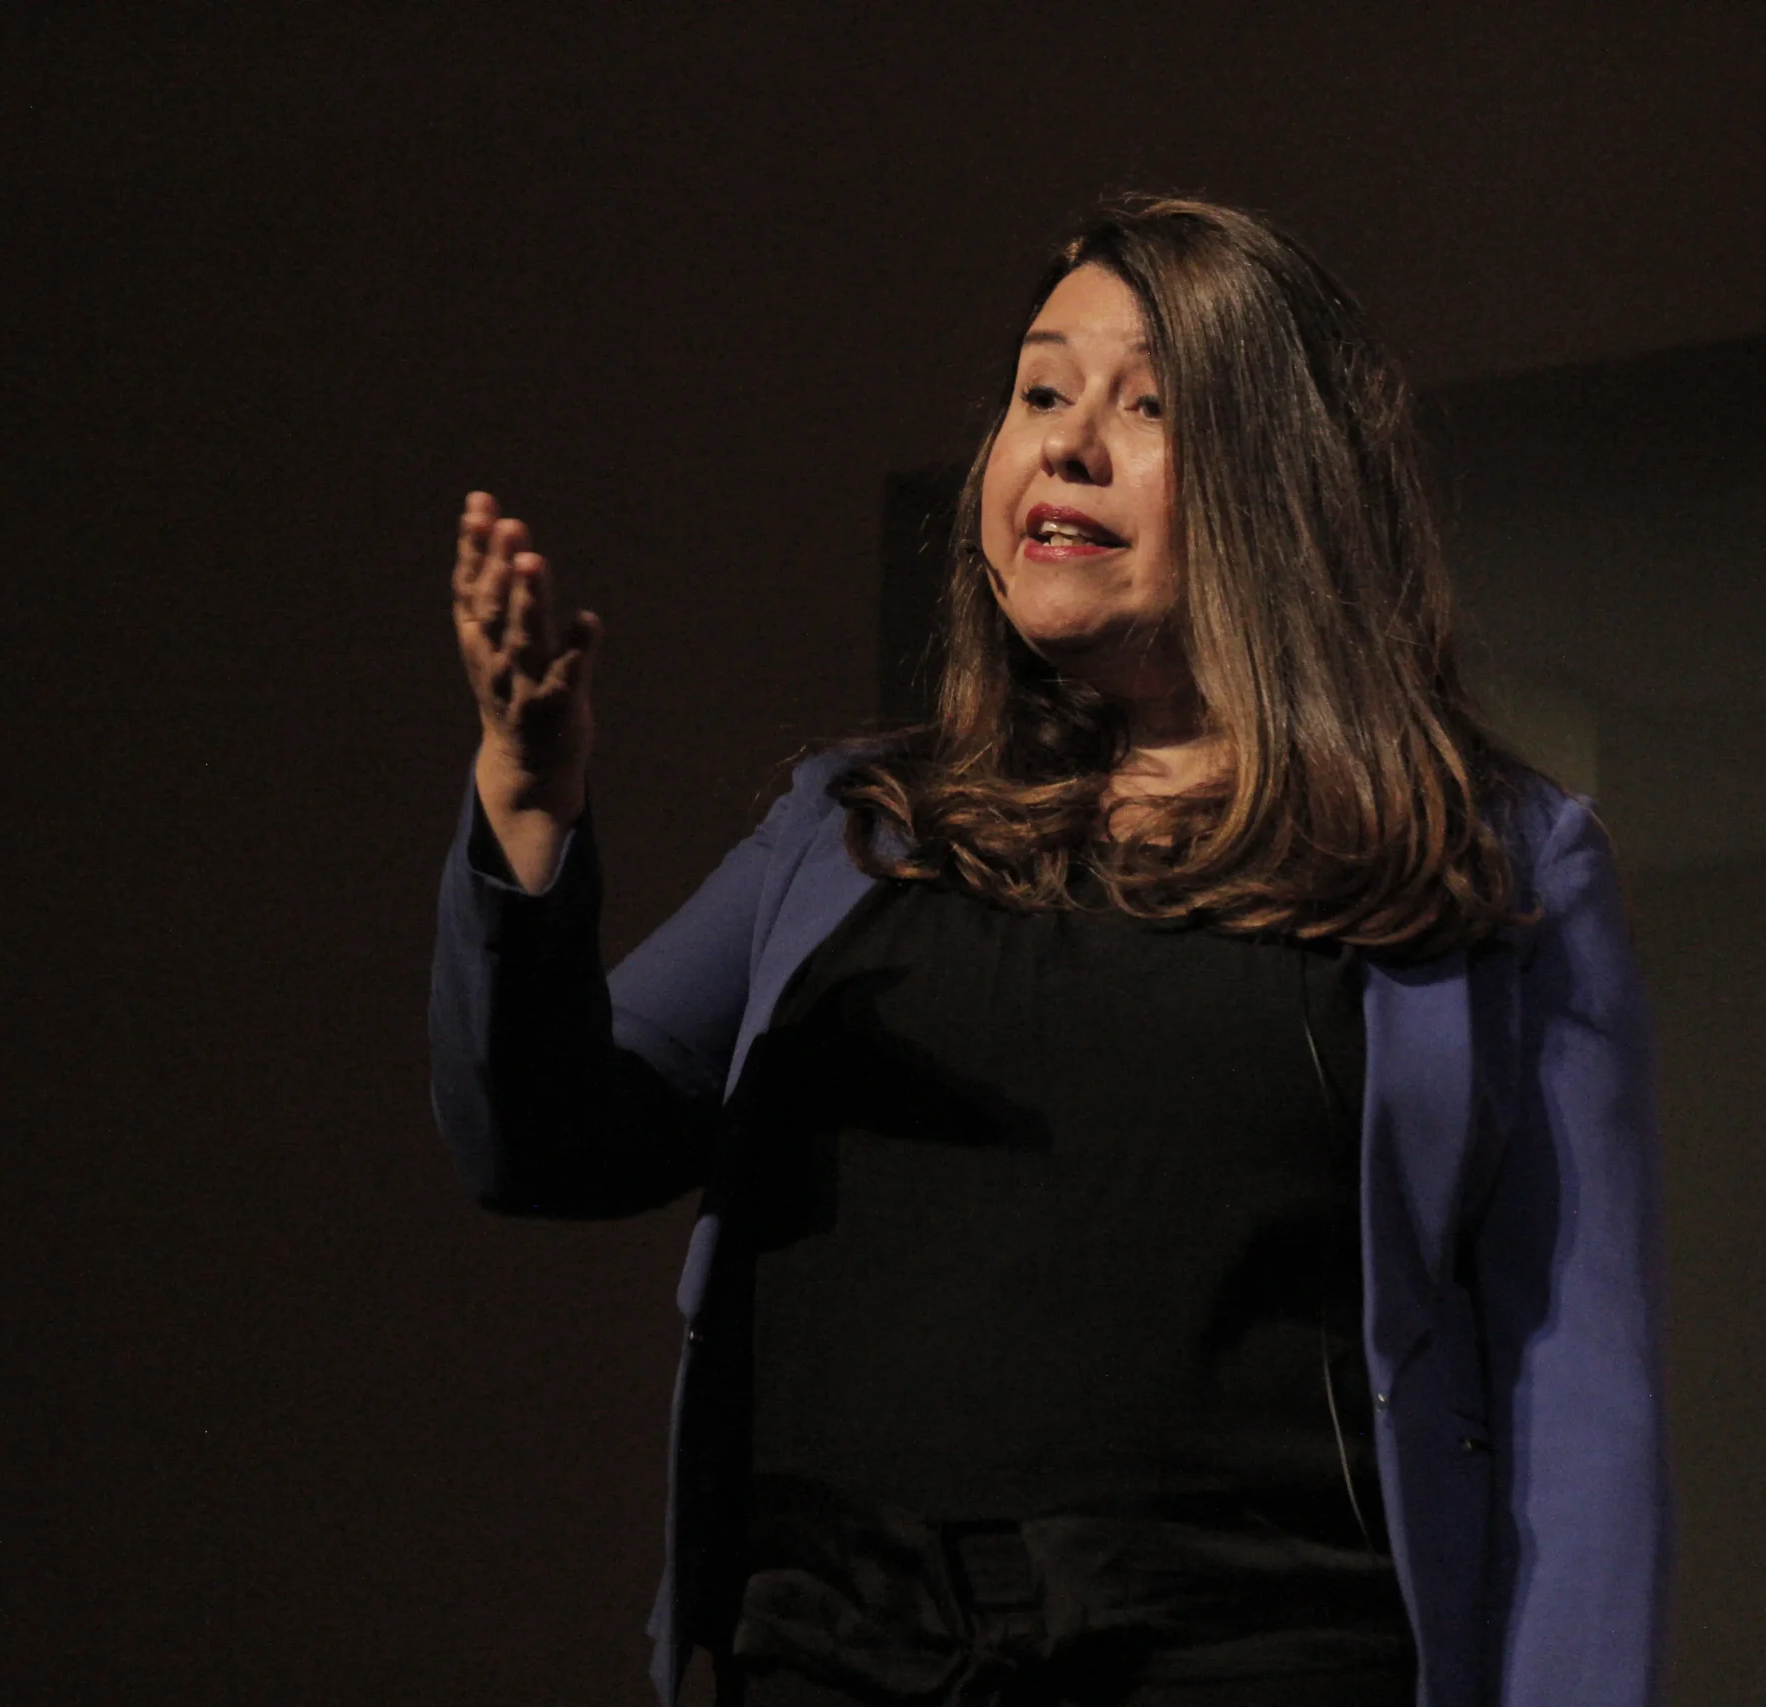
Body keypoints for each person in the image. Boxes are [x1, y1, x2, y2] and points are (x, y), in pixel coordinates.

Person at [429, 198, 1669, 1707]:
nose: (1067, 446)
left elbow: (1578, 1398)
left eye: (1148, 406)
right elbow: (545, 1138)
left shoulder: (1488, 858)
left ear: (1287, 477)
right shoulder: (849, 830)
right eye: (1039, 392)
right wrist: (528, 807)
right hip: (834, 1659)